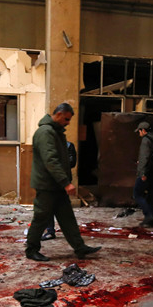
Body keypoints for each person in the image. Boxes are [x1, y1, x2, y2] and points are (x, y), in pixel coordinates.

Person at [24, 102, 100, 262]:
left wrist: (63, 183)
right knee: (41, 217)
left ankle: (80, 247)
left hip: (56, 186)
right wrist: (66, 182)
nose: (67, 123)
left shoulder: (55, 132)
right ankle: (31, 249)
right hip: (47, 186)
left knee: (67, 217)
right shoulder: (46, 132)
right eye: (66, 119)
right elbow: (50, 160)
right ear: (58, 114)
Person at [41, 140, 77, 240]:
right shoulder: (49, 145)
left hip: (61, 180)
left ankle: (54, 231)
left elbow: (72, 162)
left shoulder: (68, 145)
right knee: (51, 206)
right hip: (52, 179)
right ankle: (51, 231)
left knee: (59, 206)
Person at [134, 121, 153, 227]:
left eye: (139, 131)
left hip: (146, 172)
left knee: (137, 194)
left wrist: (142, 173)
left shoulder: (146, 141)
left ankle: (149, 215)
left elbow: (144, 158)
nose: (139, 133)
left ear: (143, 130)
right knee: (151, 195)